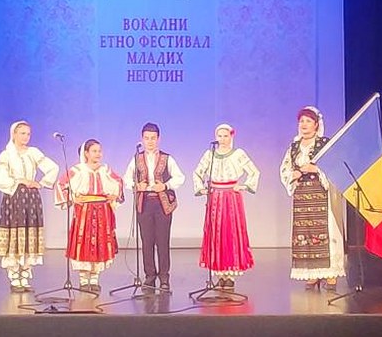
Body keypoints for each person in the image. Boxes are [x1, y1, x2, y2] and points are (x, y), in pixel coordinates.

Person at [279, 106, 346, 290]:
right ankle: (312, 273)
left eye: (308, 121)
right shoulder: (294, 147)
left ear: (316, 124)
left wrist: (315, 169)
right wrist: (292, 174)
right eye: (301, 121)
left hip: (321, 193)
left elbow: (336, 166)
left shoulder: (324, 144)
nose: (304, 124)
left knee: (325, 231)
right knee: (305, 232)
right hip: (302, 195)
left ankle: (330, 273)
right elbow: (285, 168)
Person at [0, 120, 59, 292]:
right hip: (14, 197)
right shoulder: (7, 154)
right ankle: (14, 276)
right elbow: (0, 178)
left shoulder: (33, 152)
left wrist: (41, 183)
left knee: (30, 233)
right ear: (14, 134)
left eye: (28, 134)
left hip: (31, 198)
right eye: (22, 133)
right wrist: (19, 181)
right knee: (15, 233)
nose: (26, 137)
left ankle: (25, 275)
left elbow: (53, 168)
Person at [193, 123, 259, 289]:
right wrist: (201, 189)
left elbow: (254, 172)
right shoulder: (210, 154)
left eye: (225, 136)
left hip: (231, 198)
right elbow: (197, 172)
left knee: (230, 233)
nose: (222, 139)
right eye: (220, 136)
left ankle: (230, 275)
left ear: (231, 137)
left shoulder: (238, 154)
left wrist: (243, 186)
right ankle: (219, 273)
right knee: (216, 233)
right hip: (215, 197)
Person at [56, 139, 123, 291]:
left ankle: (94, 279)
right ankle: (83, 279)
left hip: (102, 210)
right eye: (94, 151)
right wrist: (72, 198)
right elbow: (61, 184)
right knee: (83, 242)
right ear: (86, 153)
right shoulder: (78, 170)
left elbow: (119, 181)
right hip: (84, 211)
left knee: (100, 242)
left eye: (99, 151)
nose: (98, 154)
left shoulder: (105, 169)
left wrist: (114, 195)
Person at [124, 123, 184, 291]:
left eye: (153, 138)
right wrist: (136, 186)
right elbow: (126, 179)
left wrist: (165, 185)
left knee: (162, 241)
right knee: (147, 241)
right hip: (144, 203)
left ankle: (164, 277)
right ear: (142, 139)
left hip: (162, 203)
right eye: (146, 138)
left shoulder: (167, 158)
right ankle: (149, 276)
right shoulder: (136, 158)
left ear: (158, 139)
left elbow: (180, 177)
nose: (150, 141)